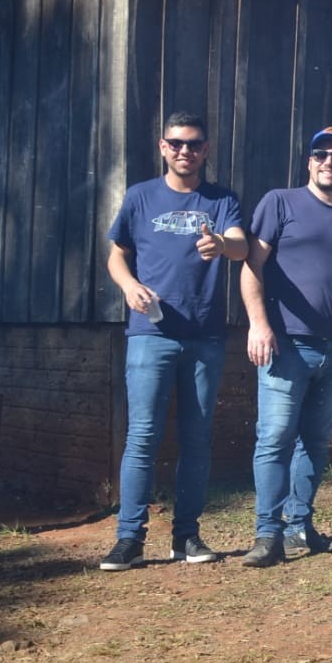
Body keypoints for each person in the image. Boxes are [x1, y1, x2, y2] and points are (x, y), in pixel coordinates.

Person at [101, 112, 248, 572]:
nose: (185, 151)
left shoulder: (222, 199)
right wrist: (128, 286)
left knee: (197, 439)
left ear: (206, 150)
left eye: (195, 144)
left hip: (204, 336)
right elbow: (117, 256)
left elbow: (242, 246)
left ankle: (186, 537)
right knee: (142, 437)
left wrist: (222, 245)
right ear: (163, 147)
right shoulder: (141, 197)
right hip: (150, 335)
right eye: (177, 143)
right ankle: (129, 539)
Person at [240, 127, 332, 567]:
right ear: (309, 162)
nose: (328, 163)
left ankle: (300, 525)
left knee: (315, 441)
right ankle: (267, 535)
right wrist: (258, 325)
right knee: (275, 437)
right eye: (320, 155)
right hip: (285, 344)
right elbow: (251, 265)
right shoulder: (280, 202)